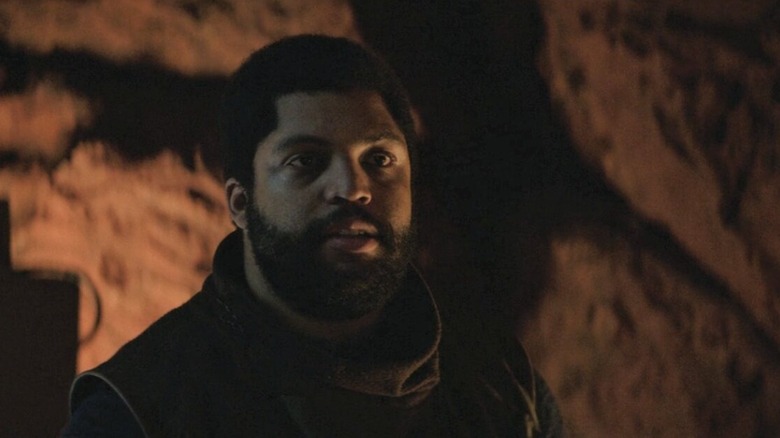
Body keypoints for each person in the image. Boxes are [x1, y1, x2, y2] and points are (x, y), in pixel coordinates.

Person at [62, 35, 563, 437]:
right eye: (306, 161)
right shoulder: (143, 411)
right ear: (240, 202)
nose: (353, 188)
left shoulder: (501, 385)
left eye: (379, 159)